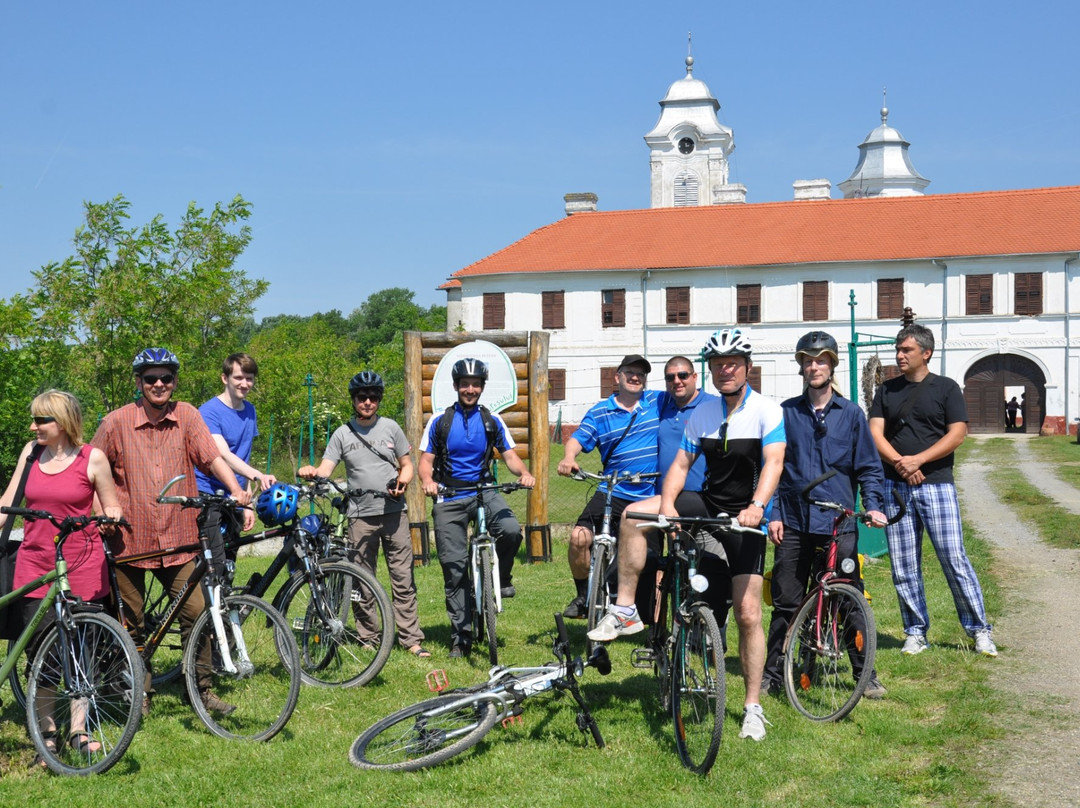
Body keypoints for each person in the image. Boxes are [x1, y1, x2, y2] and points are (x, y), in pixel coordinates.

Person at [595, 327, 785, 742]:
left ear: (747, 368)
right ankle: (626, 608)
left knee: (749, 613)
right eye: (718, 365)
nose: (725, 371)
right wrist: (666, 505)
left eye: (732, 364)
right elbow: (680, 466)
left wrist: (757, 506)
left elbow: (773, 462)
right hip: (708, 504)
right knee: (632, 514)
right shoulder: (703, 414)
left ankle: (752, 706)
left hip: (745, 518)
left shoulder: (767, 410)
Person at [92, 348, 252, 716]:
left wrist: (236, 492)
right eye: (151, 379)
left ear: (175, 381)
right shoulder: (116, 423)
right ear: (139, 383)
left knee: (197, 614)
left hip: (179, 538)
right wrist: (102, 512)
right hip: (130, 538)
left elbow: (211, 457)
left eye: (166, 378)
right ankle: (138, 692)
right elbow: (93, 472)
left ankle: (200, 689)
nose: (159, 384)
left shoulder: (187, 416)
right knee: (130, 623)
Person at [761, 331, 888, 700]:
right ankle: (773, 673)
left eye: (821, 360)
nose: (814, 367)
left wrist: (874, 504)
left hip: (839, 523)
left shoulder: (850, 415)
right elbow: (773, 467)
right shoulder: (785, 413)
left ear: (832, 365)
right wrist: (773, 513)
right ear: (801, 366)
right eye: (807, 361)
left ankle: (865, 673)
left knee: (849, 599)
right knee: (786, 601)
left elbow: (868, 467)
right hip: (795, 521)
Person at [0, 390, 123, 765]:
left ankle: (78, 731)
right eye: (34, 419)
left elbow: (110, 501)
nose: (34, 426)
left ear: (64, 423)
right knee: (41, 651)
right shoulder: (31, 453)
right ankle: (47, 732)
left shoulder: (92, 458)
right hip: (35, 563)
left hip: (80, 564)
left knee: (78, 649)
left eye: (42, 420)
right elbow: (7, 501)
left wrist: (112, 515)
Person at [868, 324, 997, 656]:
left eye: (906, 350)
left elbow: (957, 433)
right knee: (903, 564)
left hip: (936, 484)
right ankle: (914, 631)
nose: (899, 354)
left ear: (926, 352)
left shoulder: (946, 388)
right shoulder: (886, 390)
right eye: (898, 349)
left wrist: (919, 461)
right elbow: (875, 433)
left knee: (953, 558)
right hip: (895, 485)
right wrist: (901, 463)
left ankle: (979, 629)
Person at [298, 370, 428, 657]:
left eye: (372, 397)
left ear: (379, 399)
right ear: (354, 400)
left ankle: (411, 639)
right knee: (361, 579)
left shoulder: (391, 427)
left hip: (394, 512)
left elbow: (406, 464)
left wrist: (403, 481)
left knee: (402, 578)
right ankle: (369, 636)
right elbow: (325, 470)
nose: (367, 402)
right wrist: (310, 472)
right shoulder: (342, 433)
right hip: (359, 516)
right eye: (361, 397)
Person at [418, 358, 535, 657]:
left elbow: (509, 455)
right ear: (456, 386)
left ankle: (504, 577)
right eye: (465, 384)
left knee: (510, 530)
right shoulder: (439, 421)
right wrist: (428, 482)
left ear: (482, 387)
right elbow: (425, 463)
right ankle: (461, 636)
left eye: (476, 384)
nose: (470, 389)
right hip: (450, 495)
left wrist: (523, 473)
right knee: (454, 569)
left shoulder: (491, 420)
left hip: (484, 491)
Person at [557, 354, 661, 618]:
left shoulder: (658, 402)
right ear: (617, 377)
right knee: (579, 538)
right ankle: (583, 595)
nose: (636, 377)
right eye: (630, 372)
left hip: (649, 495)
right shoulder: (601, 411)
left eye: (641, 373)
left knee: (654, 560)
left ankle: (651, 624)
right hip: (612, 491)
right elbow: (578, 439)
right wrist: (569, 458)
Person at [194, 353, 275, 532]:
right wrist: (258, 475)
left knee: (230, 558)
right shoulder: (209, 411)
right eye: (238, 378)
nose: (244, 384)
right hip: (209, 494)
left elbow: (242, 457)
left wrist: (248, 505)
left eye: (249, 379)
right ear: (225, 378)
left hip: (237, 496)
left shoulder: (250, 410)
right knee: (214, 557)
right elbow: (223, 454)